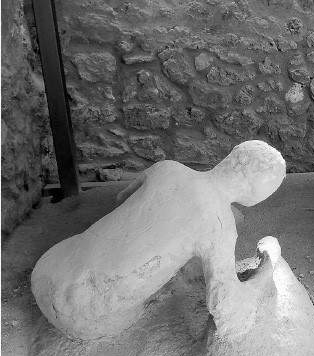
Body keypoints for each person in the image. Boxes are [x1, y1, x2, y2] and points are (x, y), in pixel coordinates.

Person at [31, 140, 286, 341]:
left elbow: (121, 199)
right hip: (86, 312)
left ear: (230, 157)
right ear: (257, 194)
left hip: (50, 269)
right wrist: (262, 275)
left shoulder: (168, 168)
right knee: (160, 284)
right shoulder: (219, 226)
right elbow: (224, 307)